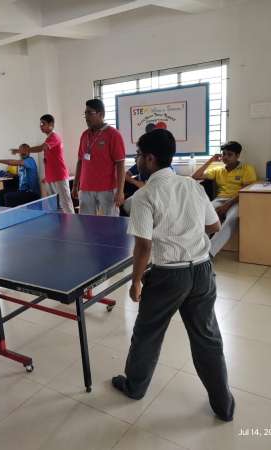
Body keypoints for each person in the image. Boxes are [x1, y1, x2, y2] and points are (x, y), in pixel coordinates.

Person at [112, 129, 235, 422]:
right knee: (208, 338)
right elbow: (214, 226)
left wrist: (136, 281)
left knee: (147, 334)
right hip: (203, 271)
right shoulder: (192, 186)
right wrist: (187, 234)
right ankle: (223, 405)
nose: (137, 160)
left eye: (139, 155)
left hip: (168, 276)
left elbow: (144, 246)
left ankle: (135, 387)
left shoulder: (144, 196)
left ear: (150, 159)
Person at [192, 141, 257, 256]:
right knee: (200, 215)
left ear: (237, 156)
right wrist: (211, 160)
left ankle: (208, 254)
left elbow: (245, 192)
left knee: (231, 219)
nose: (225, 157)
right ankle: (196, 249)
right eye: (224, 154)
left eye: (229, 154)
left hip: (238, 200)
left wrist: (227, 206)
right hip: (220, 200)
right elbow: (195, 176)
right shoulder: (219, 170)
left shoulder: (247, 169)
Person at [72, 99, 126, 216]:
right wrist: (75, 185)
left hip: (107, 189)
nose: (86, 117)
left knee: (111, 223)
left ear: (101, 114)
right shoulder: (84, 135)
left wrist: (120, 191)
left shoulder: (114, 135)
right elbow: (80, 161)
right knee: (86, 224)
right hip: (85, 188)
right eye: (85, 113)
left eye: (89, 113)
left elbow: (120, 164)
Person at [11, 114, 74, 214]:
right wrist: (47, 176)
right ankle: (60, 226)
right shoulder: (48, 138)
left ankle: (72, 225)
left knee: (66, 203)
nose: (41, 126)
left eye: (43, 123)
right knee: (54, 205)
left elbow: (41, 148)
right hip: (51, 177)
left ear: (51, 124)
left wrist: (22, 150)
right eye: (40, 124)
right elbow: (48, 160)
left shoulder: (54, 137)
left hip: (59, 176)